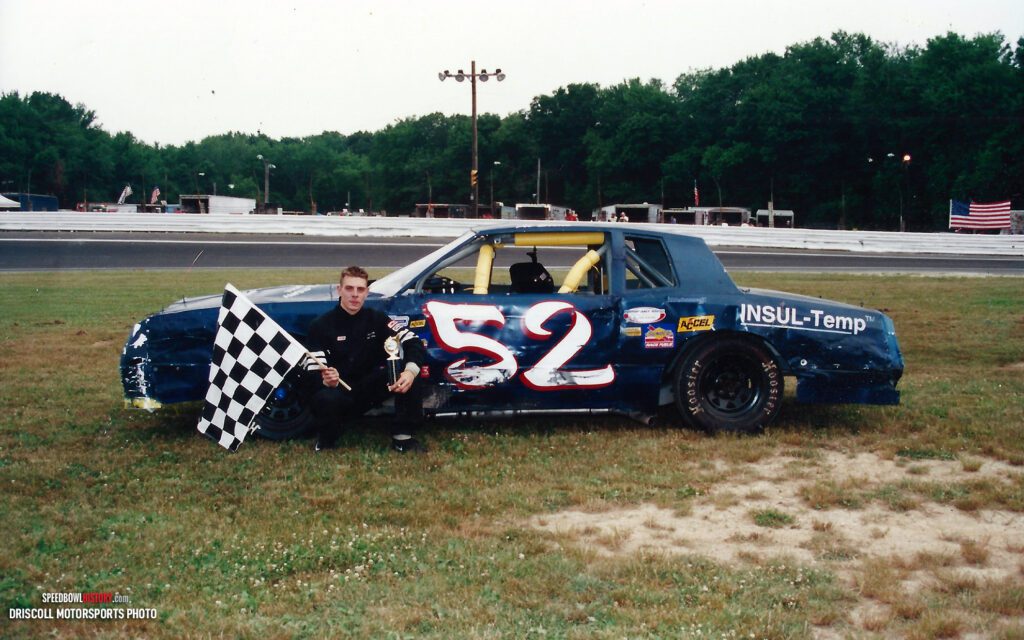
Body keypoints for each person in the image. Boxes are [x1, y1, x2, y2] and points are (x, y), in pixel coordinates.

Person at [305, 266, 427, 453]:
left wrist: (410, 372)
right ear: (339, 290)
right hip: (338, 394)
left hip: (369, 391)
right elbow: (311, 378)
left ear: (366, 293)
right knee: (325, 397)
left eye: (360, 290)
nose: (355, 295)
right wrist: (326, 380)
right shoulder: (320, 325)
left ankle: (403, 437)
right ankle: (327, 438)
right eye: (349, 288)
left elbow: (413, 341)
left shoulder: (377, 319)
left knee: (407, 369)